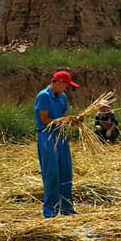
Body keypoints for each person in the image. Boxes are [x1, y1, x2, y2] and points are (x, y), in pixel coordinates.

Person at [34, 70, 80, 218]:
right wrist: (63, 121)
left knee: (66, 170)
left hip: (61, 135)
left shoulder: (62, 96)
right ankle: (50, 210)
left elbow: (65, 116)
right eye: (66, 85)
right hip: (47, 136)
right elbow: (44, 120)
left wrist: (74, 120)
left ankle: (66, 207)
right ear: (59, 82)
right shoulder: (44, 96)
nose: (66, 89)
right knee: (52, 172)